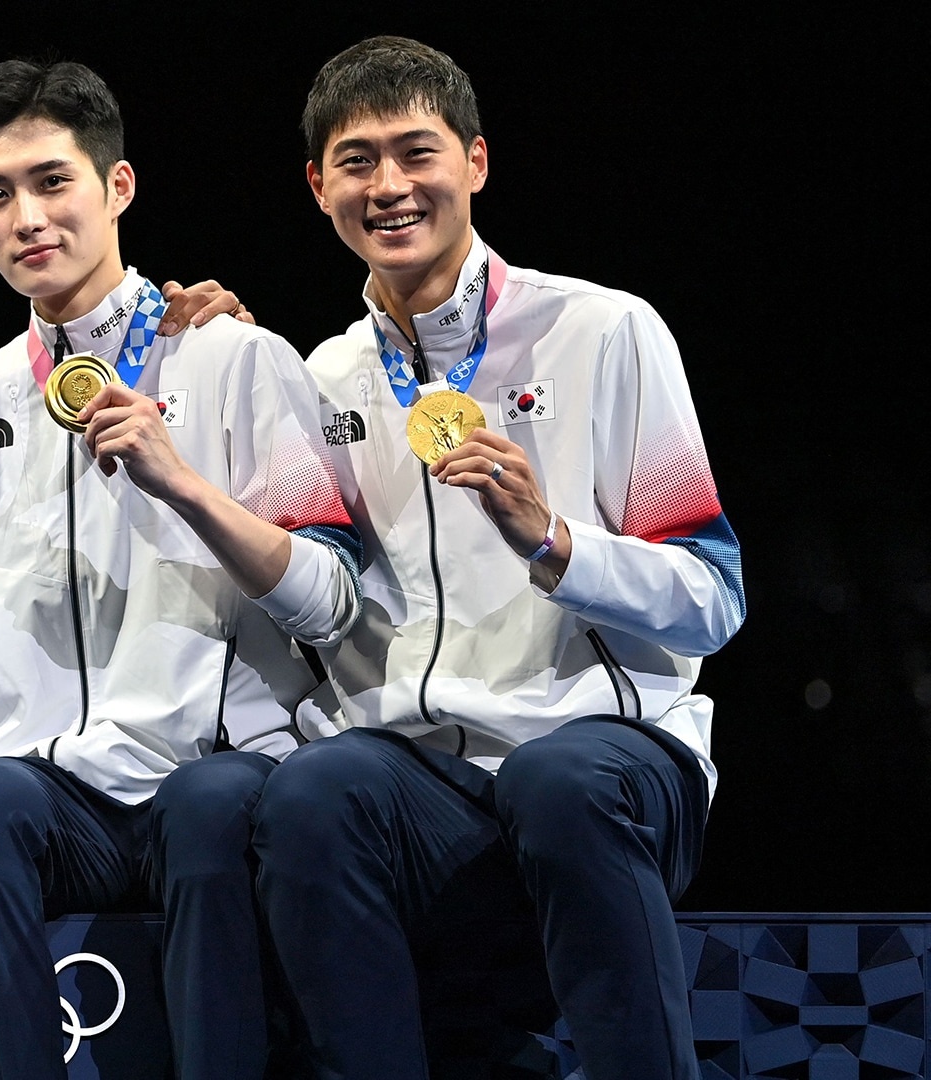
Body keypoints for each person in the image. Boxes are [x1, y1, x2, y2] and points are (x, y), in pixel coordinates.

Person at [252, 36, 746, 1079]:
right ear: (317, 186)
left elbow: (712, 600)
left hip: (609, 756)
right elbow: (324, 600)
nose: (389, 186)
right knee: (308, 793)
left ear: (474, 161)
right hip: (423, 778)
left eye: (415, 151)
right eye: (356, 160)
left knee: (557, 783)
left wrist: (554, 541)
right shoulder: (318, 378)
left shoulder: (606, 330)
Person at [0, 59, 362, 1079]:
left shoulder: (238, 360)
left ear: (117, 188)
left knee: (210, 808)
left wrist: (186, 486)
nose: (26, 216)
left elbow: (335, 607)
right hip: (46, 790)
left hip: (210, 772)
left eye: (52, 182)